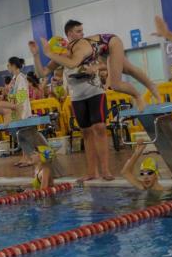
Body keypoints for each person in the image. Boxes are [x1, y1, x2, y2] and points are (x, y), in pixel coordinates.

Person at [31, 40, 113, 182]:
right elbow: (41, 73)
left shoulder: (85, 50)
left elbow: (108, 62)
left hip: (95, 93)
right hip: (77, 98)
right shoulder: (60, 60)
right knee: (86, 133)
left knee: (99, 127)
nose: (61, 55)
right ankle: (92, 172)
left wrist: (97, 67)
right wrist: (36, 55)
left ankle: (105, 170)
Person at [40, 20, 161, 112]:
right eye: (79, 31)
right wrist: (36, 55)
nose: (83, 34)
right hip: (102, 51)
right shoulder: (64, 52)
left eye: (82, 31)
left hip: (111, 42)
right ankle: (151, 87)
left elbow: (73, 64)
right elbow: (43, 73)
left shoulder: (80, 47)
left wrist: (48, 53)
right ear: (69, 34)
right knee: (128, 69)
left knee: (117, 83)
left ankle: (139, 96)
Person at [7, 57, 34, 167]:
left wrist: (17, 109)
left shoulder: (21, 78)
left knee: (24, 134)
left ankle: (29, 158)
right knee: (19, 135)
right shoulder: (14, 78)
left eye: (8, 65)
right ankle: (24, 157)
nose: (7, 68)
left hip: (22, 110)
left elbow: (22, 96)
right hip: (15, 109)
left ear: (13, 65)